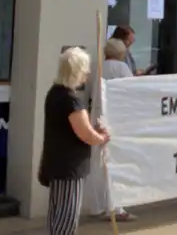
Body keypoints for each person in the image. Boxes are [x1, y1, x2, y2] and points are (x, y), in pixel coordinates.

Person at [39, 47, 110, 235]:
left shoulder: (54, 93)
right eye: (85, 69)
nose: (87, 73)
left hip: (58, 163)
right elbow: (86, 134)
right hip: (69, 167)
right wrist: (102, 137)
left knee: (57, 215)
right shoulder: (70, 100)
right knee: (66, 218)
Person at [85, 39, 136, 221]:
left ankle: (96, 206)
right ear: (121, 53)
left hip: (96, 116)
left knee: (97, 162)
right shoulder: (122, 68)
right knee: (115, 160)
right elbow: (132, 91)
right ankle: (115, 207)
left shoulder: (96, 68)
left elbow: (89, 92)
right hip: (115, 117)